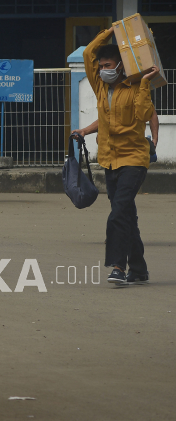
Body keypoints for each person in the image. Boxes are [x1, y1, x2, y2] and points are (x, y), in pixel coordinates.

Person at [80, 27, 159, 285]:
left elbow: (142, 115)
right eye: (101, 65)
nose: (103, 69)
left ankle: (117, 267)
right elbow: (89, 51)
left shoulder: (136, 88)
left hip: (134, 160)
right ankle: (139, 269)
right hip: (109, 160)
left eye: (109, 65)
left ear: (121, 67)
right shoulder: (100, 87)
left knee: (118, 213)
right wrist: (111, 31)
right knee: (126, 215)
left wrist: (145, 82)